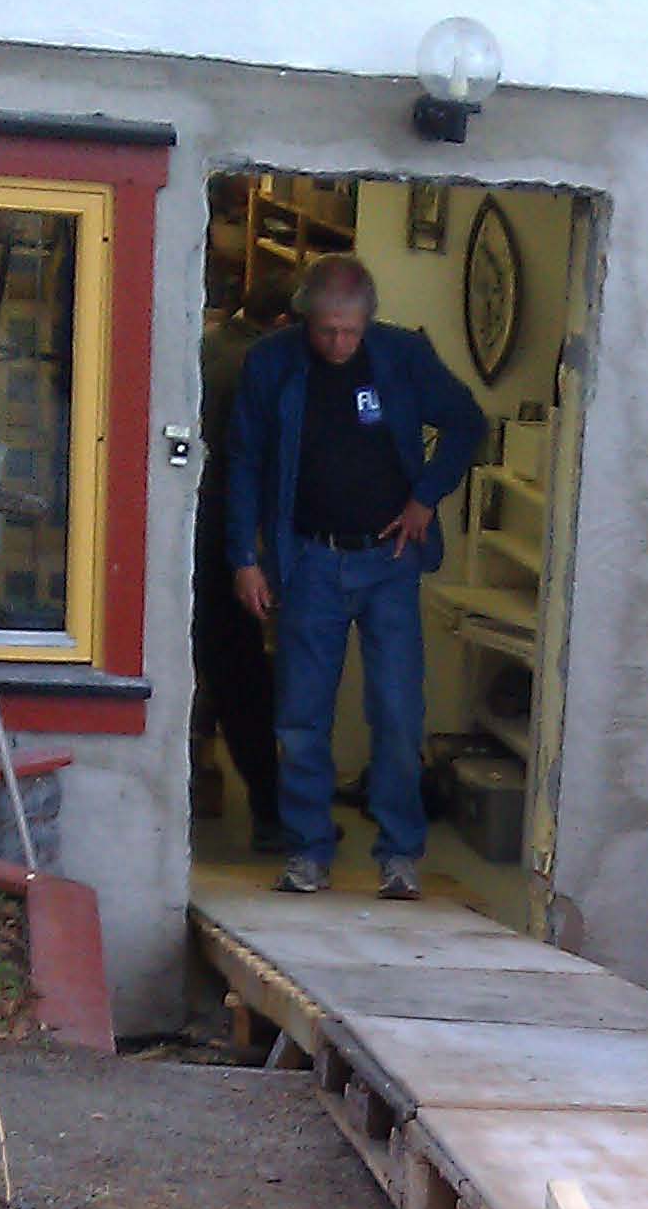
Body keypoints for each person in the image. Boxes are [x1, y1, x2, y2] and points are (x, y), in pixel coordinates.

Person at [225, 254, 485, 900]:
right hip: (308, 559)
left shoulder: (402, 356)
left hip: (389, 560)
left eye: (351, 331)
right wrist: (244, 558)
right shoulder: (271, 363)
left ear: (369, 319)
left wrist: (425, 496)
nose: (340, 344)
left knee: (397, 711)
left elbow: (466, 422)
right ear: (303, 319)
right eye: (327, 331)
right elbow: (244, 460)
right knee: (300, 716)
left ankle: (399, 853)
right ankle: (308, 850)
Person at [194, 285, 286, 852]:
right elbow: (254, 465)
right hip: (224, 538)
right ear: (282, 321)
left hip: (195, 530)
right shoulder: (255, 365)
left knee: (216, 671)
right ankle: (272, 815)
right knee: (243, 679)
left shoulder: (212, 345)